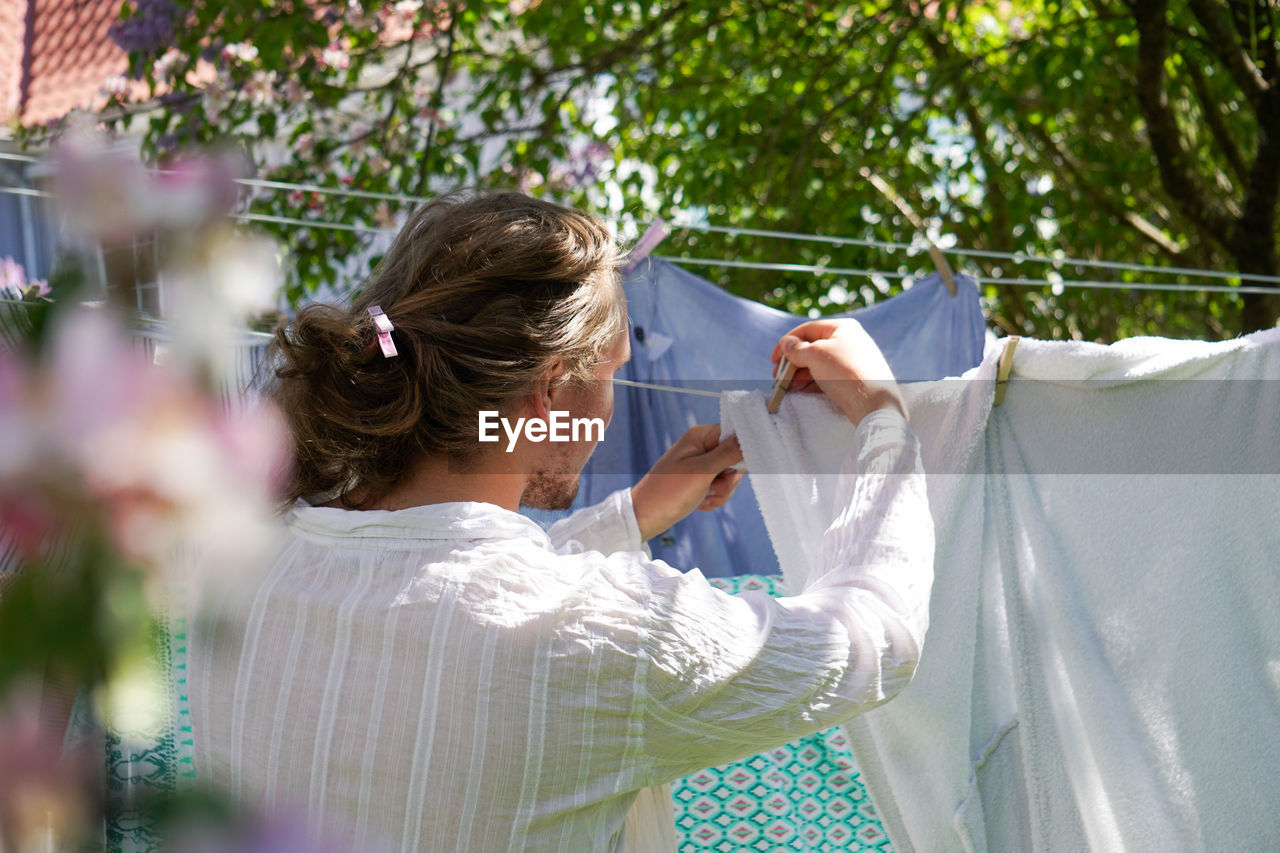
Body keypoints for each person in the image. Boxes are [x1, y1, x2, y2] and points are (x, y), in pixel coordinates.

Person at [188, 192, 934, 852]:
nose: (610, 408)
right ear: (550, 391)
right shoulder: (603, 638)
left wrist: (636, 513)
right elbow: (876, 639)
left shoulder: (248, 567)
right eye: (610, 370)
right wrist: (883, 418)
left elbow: (442, 595)